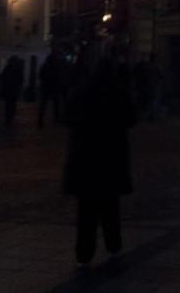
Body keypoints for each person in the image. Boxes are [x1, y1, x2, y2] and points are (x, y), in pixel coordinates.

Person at [63, 50, 136, 266]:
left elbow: (68, 118)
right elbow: (131, 119)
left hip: (85, 159)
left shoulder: (82, 92)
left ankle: (83, 254)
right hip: (111, 159)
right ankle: (114, 247)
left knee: (86, 212)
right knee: (110, 208)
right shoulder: (118, 93)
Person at [38, 49, 66, 128]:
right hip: (53, 86)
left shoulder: (45, 66)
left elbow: (41, 75)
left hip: (46, 87)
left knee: (44, 104)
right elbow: (59, 76)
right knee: (55, 103)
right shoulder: (56, 66)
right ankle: (56, 118)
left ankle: (40, 119)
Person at [0, 53, 24, 127]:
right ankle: (11, 118)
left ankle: (8, 118)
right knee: (13, 104)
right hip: (14, 89)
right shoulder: (19, 68)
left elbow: (3, 79)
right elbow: (21, 80)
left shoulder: (7, 68)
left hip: (8, 89)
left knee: (8, 105)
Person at [132, 55, 156, 120]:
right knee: (147, 101)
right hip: (147, 86)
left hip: (143, 86)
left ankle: (143, 115)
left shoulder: (144, 67)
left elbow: (134, 75)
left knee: (142, 101)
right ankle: (148, 115)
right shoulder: (150, 67)